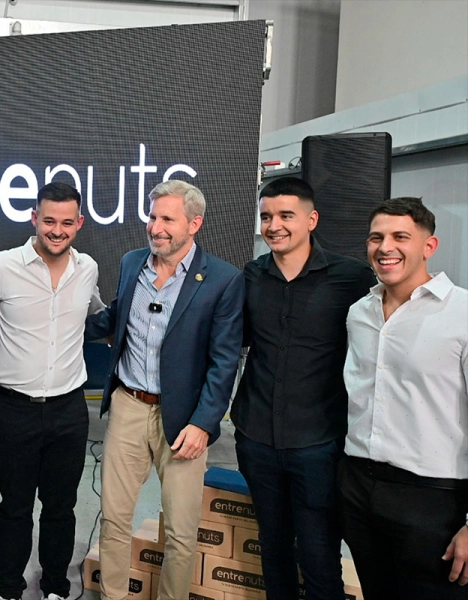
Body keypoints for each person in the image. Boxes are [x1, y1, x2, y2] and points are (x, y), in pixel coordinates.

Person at [86, 180, 244, 600]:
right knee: (114, 519)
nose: (156, 227)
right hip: (128, 405)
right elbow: (115, 318)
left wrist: (204, 423)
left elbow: (224, 361)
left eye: (167, 219)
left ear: (194, 223)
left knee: (180, 531)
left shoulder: (223, 280)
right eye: (153, 217)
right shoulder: (131, 263)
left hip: (185, 418)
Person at [230, 177, 376, 599]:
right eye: (266, 217)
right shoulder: (251, 276)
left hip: (318, 443)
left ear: (311, 220)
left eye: (285, 215)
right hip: (257, 436)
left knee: (319, 554)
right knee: (272, 548)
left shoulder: (351, 278)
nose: (273, 225)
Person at [0, 182, 105, 600]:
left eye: (66, 222)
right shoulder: (1, 267)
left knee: (61, 508)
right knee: (14, 507)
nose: (57, 230)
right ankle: (8, 589)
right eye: (49, 221)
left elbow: (98, 316)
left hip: (69, 410)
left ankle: (55, 588)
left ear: (79, 223)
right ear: (34, 218)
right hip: (13, 411)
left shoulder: (87, 269)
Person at [338, 197, 468, 600]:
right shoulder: (359, 313)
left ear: (429, 246)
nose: (385, 247)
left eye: (400, 237)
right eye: (376, 238)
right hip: (358, 485)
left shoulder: (461, 312)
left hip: (433, 498)